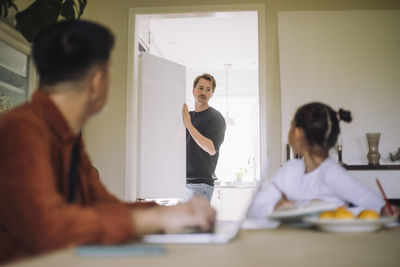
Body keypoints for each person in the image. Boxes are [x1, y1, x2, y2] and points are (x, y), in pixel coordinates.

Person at [0, 20, 215, 264]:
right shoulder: (20, 131)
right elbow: (46, 227)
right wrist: (152, 220)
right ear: (96, 81)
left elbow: (102, 205)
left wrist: (167, 212)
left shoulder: (66, 140)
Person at [248, 102, 399, 219]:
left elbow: (379, 208)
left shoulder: (332, 174)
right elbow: (254, 209)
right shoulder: (289, 170)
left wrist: (332, 210)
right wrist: (276, 208)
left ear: (297, 133)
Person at [182, 74, 226, 202]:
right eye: (200, 88)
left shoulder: (215, 117)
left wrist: (189, 125)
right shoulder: (188, 116)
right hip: (182, 182)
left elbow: (211, 149)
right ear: (193, 90)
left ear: (212, 94)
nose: (204, 93)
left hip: (200, 185)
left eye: (208, 90)